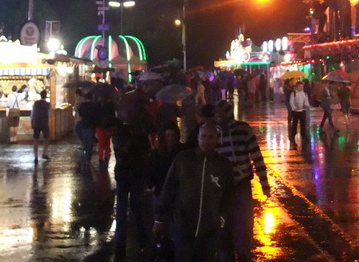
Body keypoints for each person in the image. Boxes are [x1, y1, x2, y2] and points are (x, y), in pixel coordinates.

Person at [155, 122, 235, 262]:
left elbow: (229, 194)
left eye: (211, 137)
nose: (206, 141)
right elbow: (169, 188)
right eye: (203, 136)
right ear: (198, 137)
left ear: (217, 139)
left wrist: (222, 217)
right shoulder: (183, 159)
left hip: (209, 231)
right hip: (183, 228)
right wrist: (159, 219)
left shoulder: (223, 165)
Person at [213, 100, 271, 262]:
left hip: (242, 185)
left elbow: (256, 157)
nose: (218, 116)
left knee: (244, 227)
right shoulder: (214, 133)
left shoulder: (242, 130)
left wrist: (264, 184)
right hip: (222, 188)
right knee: (223, 227)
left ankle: (244, 256)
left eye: (221, 113)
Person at [111, 104, 153, 259]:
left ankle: (141, 242)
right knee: (124, 211)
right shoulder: (121, 132)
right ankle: (122, 246)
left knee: (135, 208)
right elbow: (124, 150)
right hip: (127, 174)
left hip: (135, 174)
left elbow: (146, 152)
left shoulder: (137, 132)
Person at [287, 81, 311, 147]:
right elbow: (291, 102)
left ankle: (304, 136)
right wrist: (294, 108)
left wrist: (306, 105)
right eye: (300, 87)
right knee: (295, 123)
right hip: (295, 111)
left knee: (303, 124)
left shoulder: (304, 93)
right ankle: (293, 135)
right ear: (296, 87)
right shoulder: (293, 93)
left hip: (302, 111)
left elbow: (306, 101)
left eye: (302, 87)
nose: (301, 88)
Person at [31, 92, 51, 162]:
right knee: (46, 138)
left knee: (36, 139)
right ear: (46, 96)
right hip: (44, 123)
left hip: (36, 122)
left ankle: (36, 156)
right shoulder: (48, 104)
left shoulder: (35, 103)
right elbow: (49, 115)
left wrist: (32, 122)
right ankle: (44, 153)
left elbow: (32, 113)